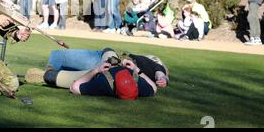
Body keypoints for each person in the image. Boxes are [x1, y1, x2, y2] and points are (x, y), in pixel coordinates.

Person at [25, 48, 169, 97]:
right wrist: (137, 69)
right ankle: (49, 72)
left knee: (54, 75)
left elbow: (160, 73)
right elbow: (157, 80)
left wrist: (163, 76)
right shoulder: (149, 62)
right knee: (57, 56)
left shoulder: (157, 65)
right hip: (109, 58)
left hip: (105, 71)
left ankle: (47, 74)